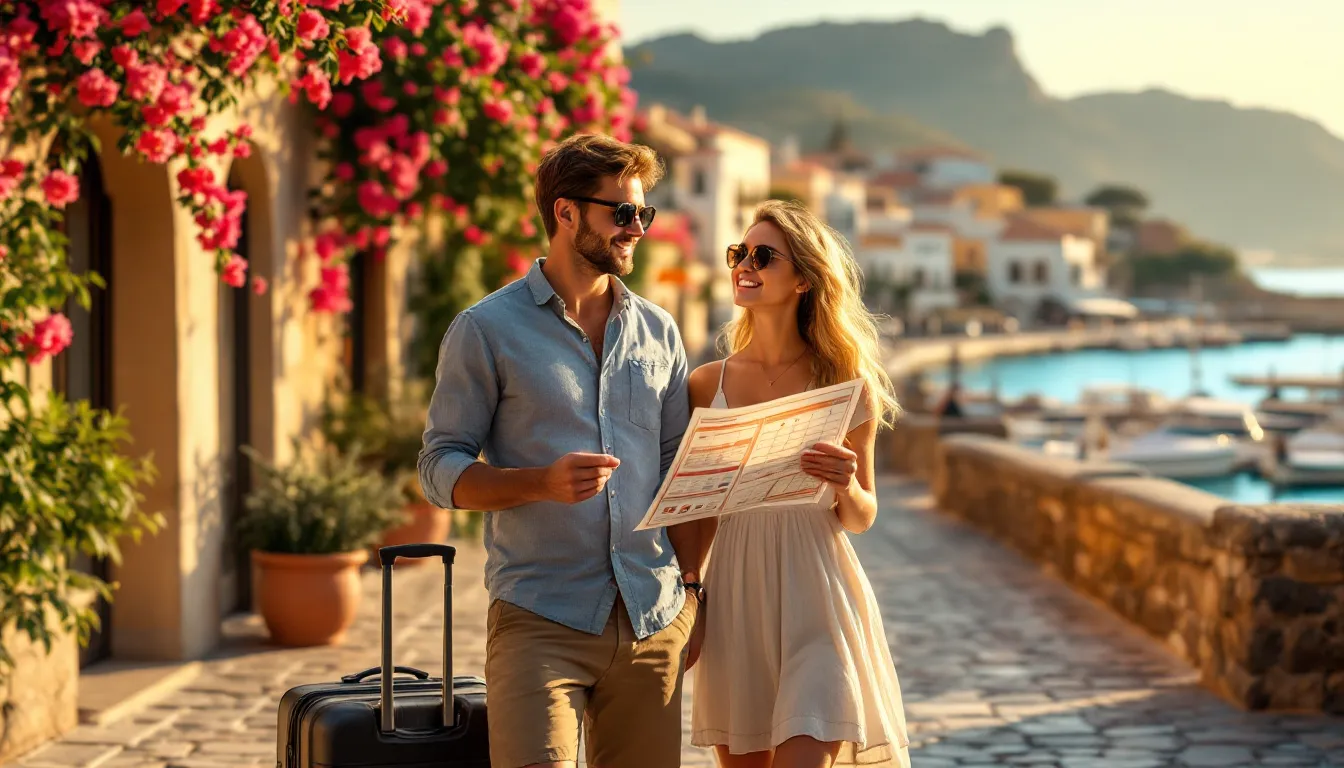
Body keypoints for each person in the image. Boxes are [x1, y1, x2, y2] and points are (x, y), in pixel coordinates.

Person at [418, 133, 700, 768]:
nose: (636, 229)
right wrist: (539, 482)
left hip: (653, 620)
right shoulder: (486, 329)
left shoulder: (659, 330)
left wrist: (693, 594)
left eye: (643, 213)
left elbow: (686, 472)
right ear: (565, 213)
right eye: (621, 213)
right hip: (539, 616)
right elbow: (439, 467)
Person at [676, 200, 912, 768]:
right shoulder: (706, 386)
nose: (744, 264)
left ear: (804, 278)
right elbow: (699, 509)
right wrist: (692, 597)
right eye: (740, 253)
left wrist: (846, 484)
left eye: (763, 256)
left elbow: (860, 516)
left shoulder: (847, 384)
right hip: (736, 597)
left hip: (818, 594)